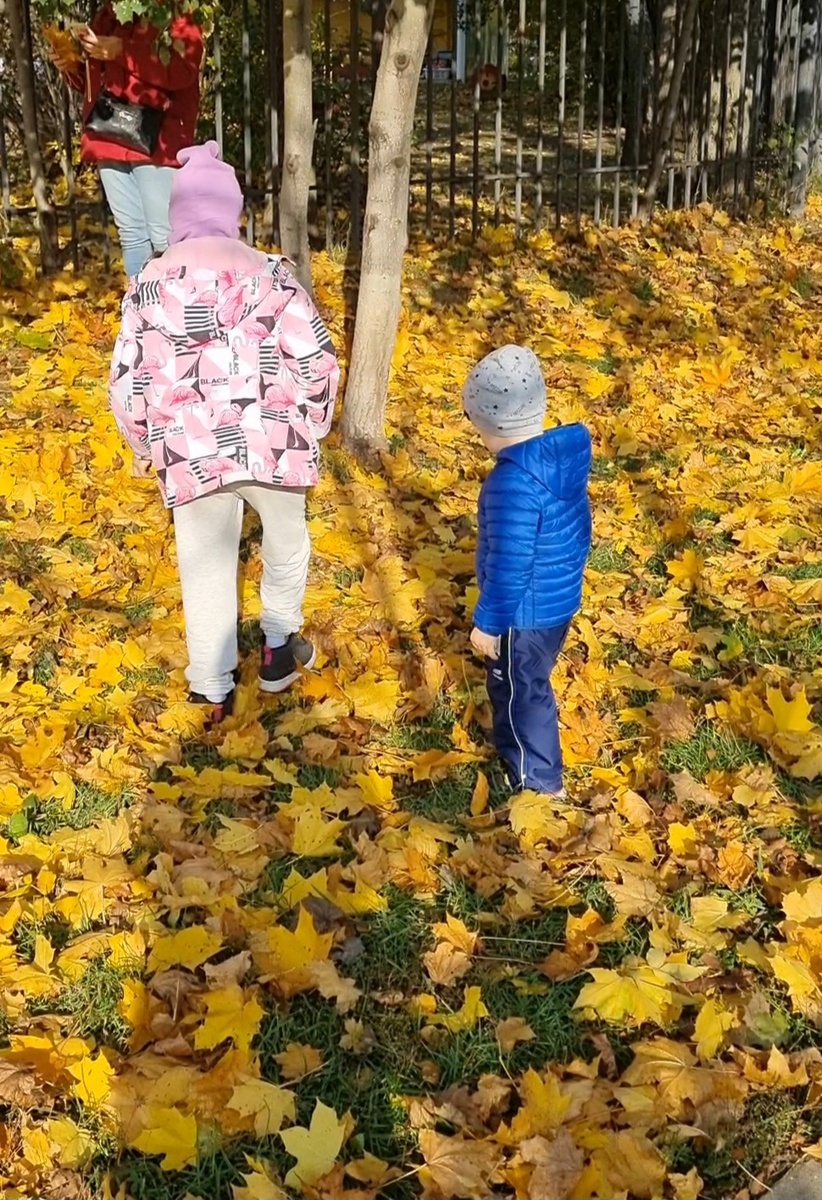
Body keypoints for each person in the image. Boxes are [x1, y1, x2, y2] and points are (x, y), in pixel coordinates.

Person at [108, 141, 340, 723]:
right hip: (275, 440)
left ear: (176, 218)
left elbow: (127, 379)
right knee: (288, 540)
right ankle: (279, 646)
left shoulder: (149, 288)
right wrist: (313, 421)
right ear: (233, 214)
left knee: (205, 561)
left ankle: (210, 684)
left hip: (191, 449)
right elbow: (317, 361)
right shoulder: (273, 278)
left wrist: (142, 442)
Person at [463, 346, 592, 797]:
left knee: (523, 689)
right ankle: (512, 749)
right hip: (556, 603)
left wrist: (488, 624)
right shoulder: (558, 465)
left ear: (491, 424)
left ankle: (539, 782)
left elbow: (509, 564)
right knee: (519, 682)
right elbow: (580, 530)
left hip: (524, 614)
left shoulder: (511, 483)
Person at [49, 4, 203, 277]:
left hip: (157, 139)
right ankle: (141, 312)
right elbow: (92, 83)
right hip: (109, 135)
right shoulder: (110, 14)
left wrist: (122, 51)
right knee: (132, 236)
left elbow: (182, 71)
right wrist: (71, 64)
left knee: (164, 236)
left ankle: (179, 311)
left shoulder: (175, 11)